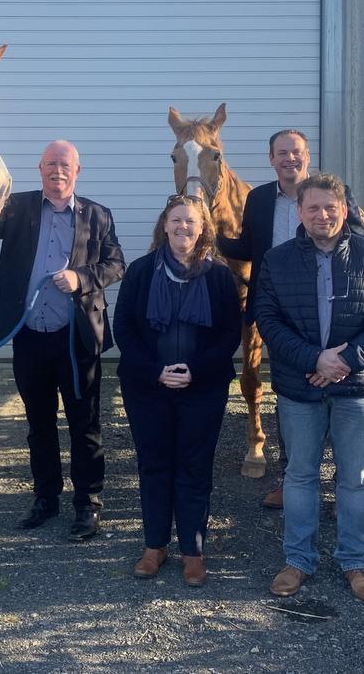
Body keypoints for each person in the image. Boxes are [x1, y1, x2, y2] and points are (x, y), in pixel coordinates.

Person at [0, 140, 125, 540]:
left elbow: (116, 264)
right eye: (50, 164)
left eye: (64, 165)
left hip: (77, 339)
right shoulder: (19, 206)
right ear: (40, 168)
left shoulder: (98, 215)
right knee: (39, 423)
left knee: (85, 425)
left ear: (77, 171)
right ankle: (46, 499)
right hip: (29, 336)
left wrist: (81, 279)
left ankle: (88, 504)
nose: (57, 171)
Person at [255, 173, 364, 602]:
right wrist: (313, 359)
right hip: (300, 387)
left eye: (330, 207)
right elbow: (267, 318)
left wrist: (344, 360)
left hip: (356, 387)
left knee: (354, 479)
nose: (322, 215)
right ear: (299, 212)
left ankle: (356, 561)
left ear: (344, 210)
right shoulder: (277, 260)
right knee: (300, 476)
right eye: (313, 208)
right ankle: (298, 560)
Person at [216, 129, 364, 509]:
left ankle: (338, 482)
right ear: (271, 159)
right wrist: (209, 231)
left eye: (296, 152)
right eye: (281, 153)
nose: (289, 159)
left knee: (338, 400)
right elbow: (247, 247)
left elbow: (361, 244)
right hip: (280, 314)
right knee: (291, 400)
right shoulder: (259, 198)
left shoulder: (333, 193)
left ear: (307, 155)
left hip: (328, 310)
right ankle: (292, 479)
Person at [112, 195, 242, 586]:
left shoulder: (219, 276)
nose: (183, 227)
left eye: (191, 221)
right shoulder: (139, 272)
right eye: (176, 220)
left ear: (202, 228)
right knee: (153, 466)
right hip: (148, 388)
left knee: (195, 468)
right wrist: (157, 372)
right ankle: (154, 546)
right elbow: (125, 330)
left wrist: (194, 371)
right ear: (164, 226)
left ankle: (193, 551)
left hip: (202, 389)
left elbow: (229, 334)